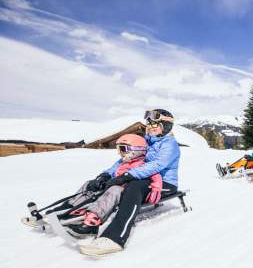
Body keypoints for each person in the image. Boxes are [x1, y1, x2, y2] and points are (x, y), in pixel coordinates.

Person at [79, 109, 180, 256]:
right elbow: (124, 161)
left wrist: (127, 175)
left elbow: (157, 165)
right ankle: (79, 217)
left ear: (166, 126)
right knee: (106, 184)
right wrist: (106, 175)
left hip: (164, 184)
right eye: (149, 124)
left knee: (133, 187)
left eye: (156, 124)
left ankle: (114, 238)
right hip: (143, 178)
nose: (151, 127)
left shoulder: (170, 145)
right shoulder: (147, 141)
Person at [60, 134, 162, 237]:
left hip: (125, 192)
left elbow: (156, 176)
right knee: (89, 184)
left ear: (137, 150)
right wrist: (102, 179)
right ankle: (73, 208)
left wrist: (156, 189)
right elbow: (111, 172)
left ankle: (92, 223)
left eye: (123, 148)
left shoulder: (143, 165)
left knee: (114, 190)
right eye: (118, 148)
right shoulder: (122, 163)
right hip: (113, 186)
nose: (119, 152)